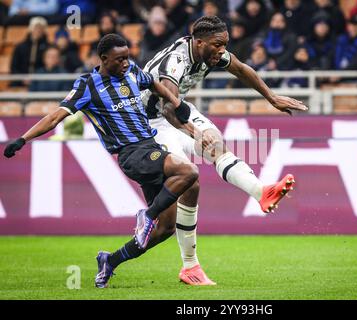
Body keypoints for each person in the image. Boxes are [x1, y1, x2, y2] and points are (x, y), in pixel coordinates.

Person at [3, 34, 201, 289]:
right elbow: (55, 117)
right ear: (104, 59)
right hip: (132, 154)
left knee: (165, 230)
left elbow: (152, 82)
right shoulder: (87, 86)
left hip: (151, 149)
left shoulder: (132, 73)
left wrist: (175, 101)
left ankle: (110, 261)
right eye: (119, 60)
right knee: (189, 171)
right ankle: (147, 215)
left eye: (128, 58)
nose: (125, 63)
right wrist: (22, 139)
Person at [140, 15, 307, 285]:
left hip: (176, 111)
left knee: (216, 144)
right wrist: (194, 133)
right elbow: (168, 108)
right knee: (187, 181)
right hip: (150, 122)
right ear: (199, 41)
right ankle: (189, 266)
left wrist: (271, 97)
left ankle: (261, 192)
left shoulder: (211, 53)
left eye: (225, 44)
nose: (222, 50)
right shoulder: (175, 61)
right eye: (218, 45)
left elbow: (241, 69)